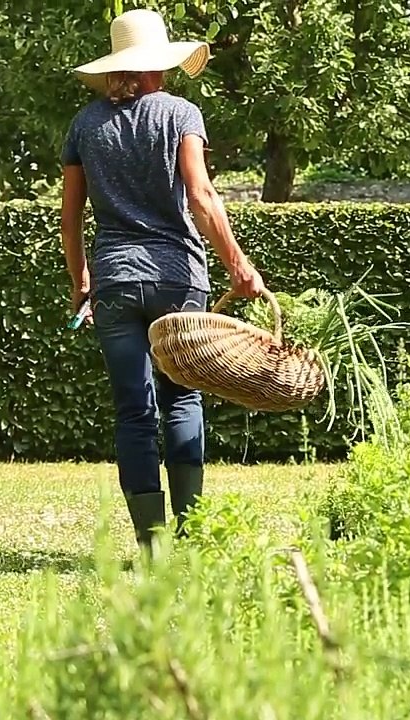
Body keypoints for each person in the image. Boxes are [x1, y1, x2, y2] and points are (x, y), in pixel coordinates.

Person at [59, 9, 265, 553]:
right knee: (182, 400)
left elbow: (71, 216)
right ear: (159, 64)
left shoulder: (85, 124)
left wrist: (81, 278)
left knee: (133, 409)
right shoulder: (181, 114)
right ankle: (192, 535)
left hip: (116, 281)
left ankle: (152, 545)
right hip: (178, 280)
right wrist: (239, 266)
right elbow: (201, 196)